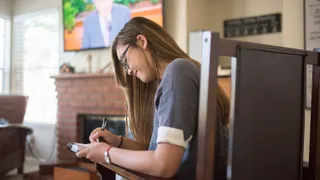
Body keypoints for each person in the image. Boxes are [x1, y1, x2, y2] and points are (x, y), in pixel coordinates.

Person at [76, 17, 230, 179]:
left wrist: (107, 153)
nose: (128, 71)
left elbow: (163, 164)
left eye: (125, 61)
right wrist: (117, 142)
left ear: (142, 41)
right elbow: (159, 153)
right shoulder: (179, 74)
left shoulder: (178, 73)